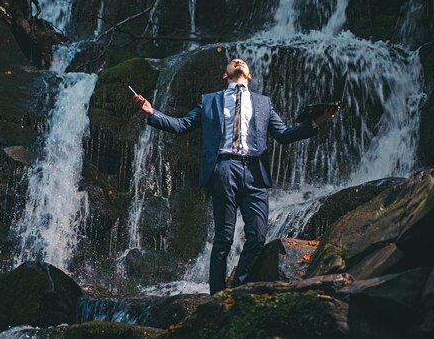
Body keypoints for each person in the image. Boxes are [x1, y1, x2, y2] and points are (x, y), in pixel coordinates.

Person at [132, 58, 339, 294]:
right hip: (224, 169)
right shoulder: (209, 101)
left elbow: (284, 135)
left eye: (242, 62)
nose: (238, 61)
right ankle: (217, 296)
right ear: (225, 75)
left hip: (255, 173)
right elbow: (182, 125)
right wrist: (152, 112)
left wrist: (318, 120)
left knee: (258, 236)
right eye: (232, 61)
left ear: (249, 75)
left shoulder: (263, 103)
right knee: (223, 239)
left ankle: (237, 289)